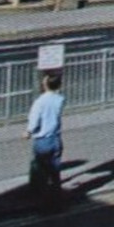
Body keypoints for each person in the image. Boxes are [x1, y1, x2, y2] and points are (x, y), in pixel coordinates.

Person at [25, 71, 65, 208]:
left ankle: (43, 202)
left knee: (41, 172)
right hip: (56, 138)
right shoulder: (60, 99)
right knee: (55, 172)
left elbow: (34, 121)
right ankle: (57, 199)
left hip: (42, 140)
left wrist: (28, 132)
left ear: (45, 85)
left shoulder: (40, 102)